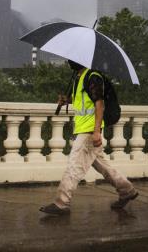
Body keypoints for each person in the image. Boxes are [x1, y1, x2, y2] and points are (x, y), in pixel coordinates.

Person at [39, 60, 138, 216]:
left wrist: (96, 131)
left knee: (74, 166)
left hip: (89, 130)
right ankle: (127, 191)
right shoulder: (80, 77)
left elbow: (99, 104)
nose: (69, 61)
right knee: (103, 167)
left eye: (72, 59)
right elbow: (84, 101)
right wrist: (67, 100)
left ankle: (61, 203)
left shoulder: (93, 77)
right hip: (83, 129)